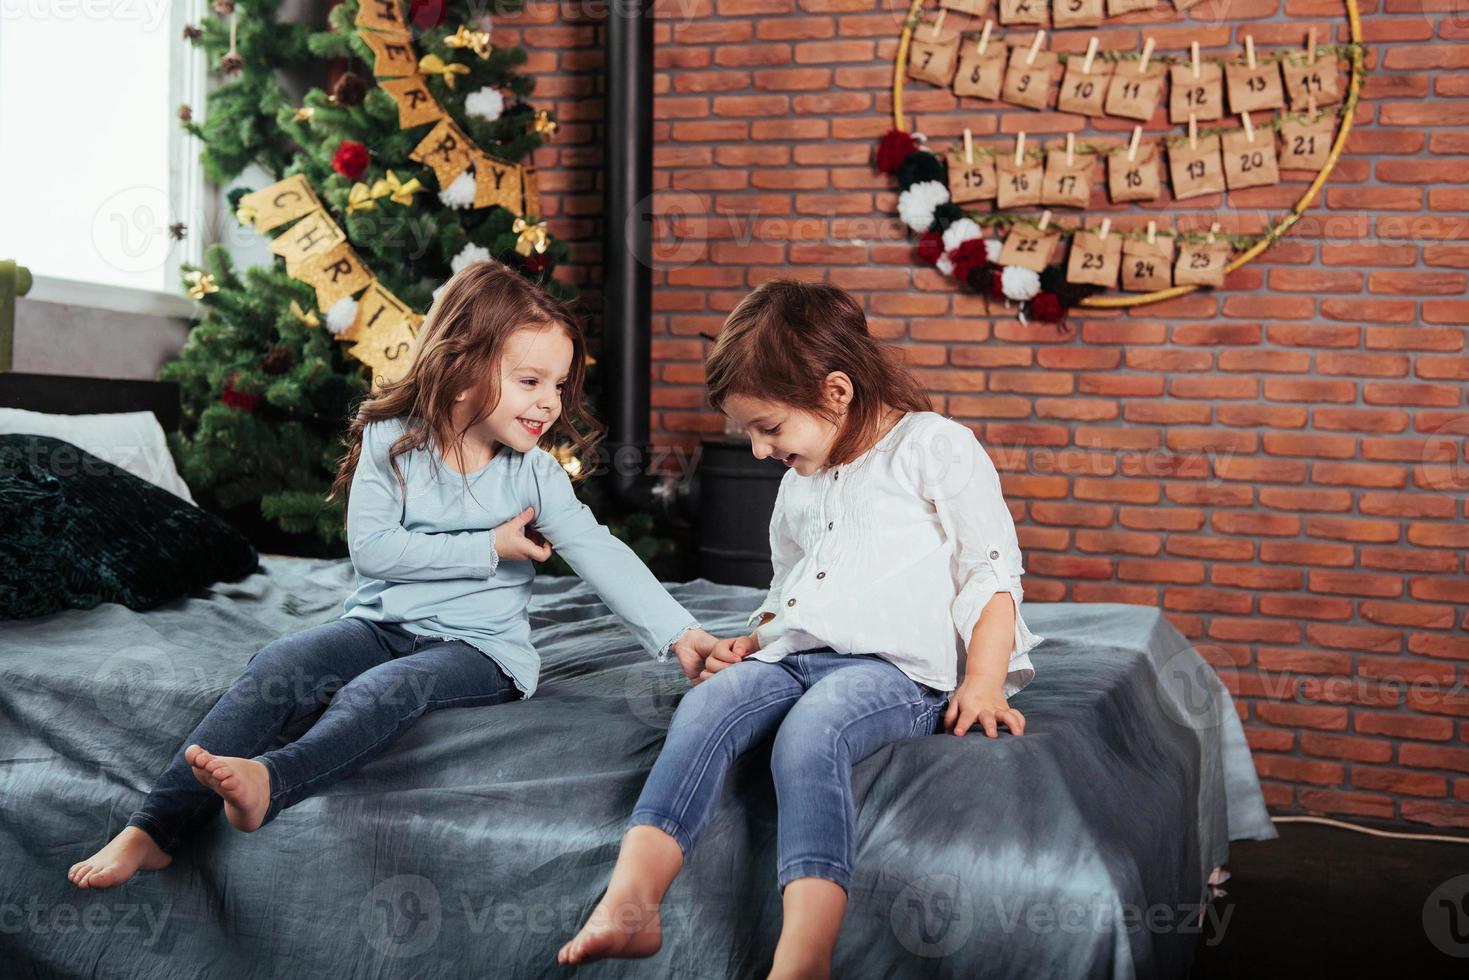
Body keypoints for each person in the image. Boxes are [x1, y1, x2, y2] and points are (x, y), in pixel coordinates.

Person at [68, 260, 718, 890]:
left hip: (482, 651)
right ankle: (152, 830)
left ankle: (274, 780)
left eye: (559, 385)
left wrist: (678, 633)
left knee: (385, 689)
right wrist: (488, 545)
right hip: (381, 624)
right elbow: (374, 552)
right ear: (462, 368)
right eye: (530, 382)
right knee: (279, 663)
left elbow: (599, 551)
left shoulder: (535, 474)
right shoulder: (391, 441)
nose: (549, 404)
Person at [559, 279, 1046, 978]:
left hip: (896, 670)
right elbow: (790, 587)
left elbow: (990, 572)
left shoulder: (933, 447)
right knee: (705, 707)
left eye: (768, 428)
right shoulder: (800, 482)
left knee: (813, 729)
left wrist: (984, 681)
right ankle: (631, 902)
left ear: (836, 392)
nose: (758, 450)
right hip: (798, 652)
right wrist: (752, 638)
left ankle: (804, 952)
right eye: (749, 434)